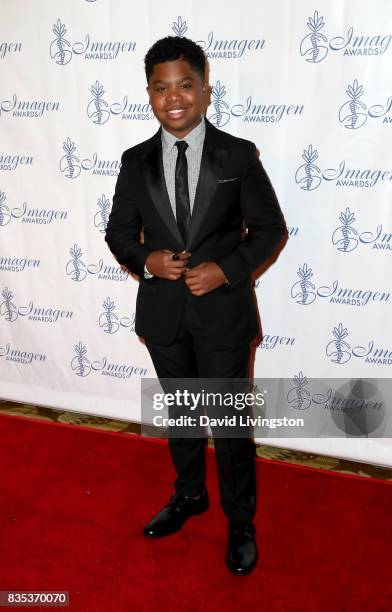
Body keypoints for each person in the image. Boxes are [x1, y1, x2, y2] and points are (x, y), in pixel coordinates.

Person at [105, 36, 287, 576]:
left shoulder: (238, 154)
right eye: (161, 88)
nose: (174, 97)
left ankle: (240, 520)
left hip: (223, 315)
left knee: (230, 425)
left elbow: (271, 228)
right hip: (163, 314)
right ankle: (188, 496)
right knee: (182, 416)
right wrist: (147, 260)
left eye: (185, 84)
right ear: (149, 95)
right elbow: (118, 233)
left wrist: (226, 269)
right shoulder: (134, 162)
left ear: (206, 91)